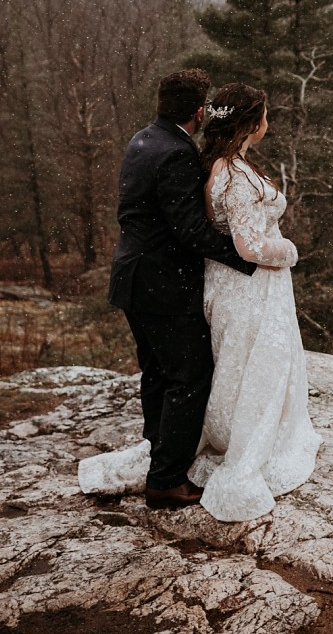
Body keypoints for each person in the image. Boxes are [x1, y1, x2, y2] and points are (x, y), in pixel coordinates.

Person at [79, 69, 260, 509]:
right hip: (163, 283)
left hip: (133, 278)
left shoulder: (143, 139)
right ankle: (166, 480)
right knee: (189, 376)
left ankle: (159, 452)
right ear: (199, 111)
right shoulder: (177, 153)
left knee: (158, 373)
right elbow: (190, 231)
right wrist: (248, 257)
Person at [188, 82, 318, 521]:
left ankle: (235, 428)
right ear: (250, 123)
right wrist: (290, 252)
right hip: (249, 284)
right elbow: (248, 246)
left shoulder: (224, 165)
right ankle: (243, 442)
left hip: (236, 284)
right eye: (264, 115)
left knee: (239, 362)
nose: (269, 123)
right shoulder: (236, 176)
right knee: (253, 361)